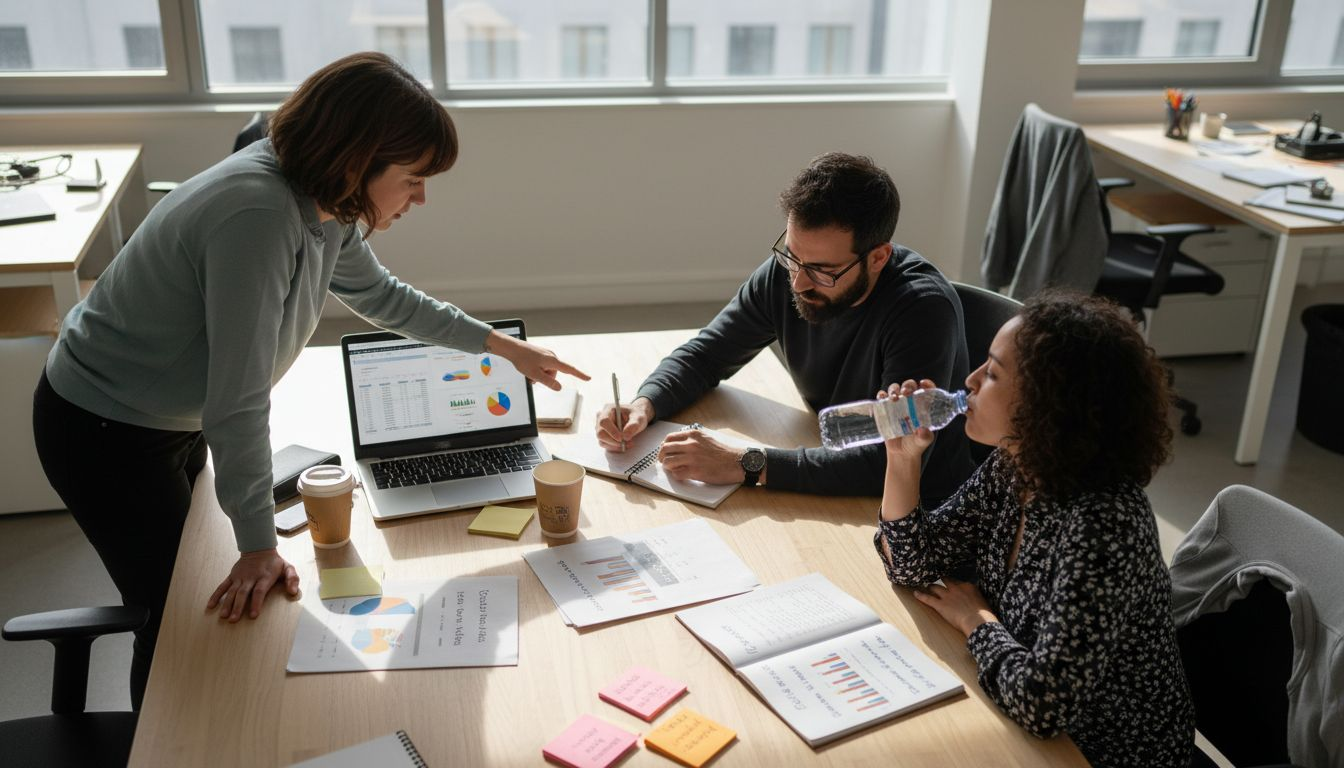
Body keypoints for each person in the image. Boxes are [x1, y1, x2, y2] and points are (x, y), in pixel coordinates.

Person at [30, 52, 587, 709]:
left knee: (200, 593)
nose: (421, 198)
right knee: (170, 617)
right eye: (412, 179)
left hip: (168, 414)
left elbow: (382, 297)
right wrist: (258, 546)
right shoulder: (256, 215)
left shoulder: (325, 199)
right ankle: (160, 743)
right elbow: (237, 403)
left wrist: (499, 346)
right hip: (104, 429)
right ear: (358, 160)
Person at [872, 290, 1194, 766]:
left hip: (1100, 755)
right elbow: (913, 566)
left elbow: (1043, 707)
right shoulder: (1016, 466)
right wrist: (902, 460)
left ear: (1051, 404)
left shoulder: (1106, 524)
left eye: (993, 373)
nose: (971, 380)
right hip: (1018, 720)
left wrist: (975, 620)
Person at [596, 152, 974, 505]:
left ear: (878, 258)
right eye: (792, 256)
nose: (798, 283)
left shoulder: (921, 310)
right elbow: (707, 355)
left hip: (922, 513)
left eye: (824, 271)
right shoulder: (788, 273)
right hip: (827, 467)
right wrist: (644, 405)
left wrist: (745, 462)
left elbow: (888, 461)